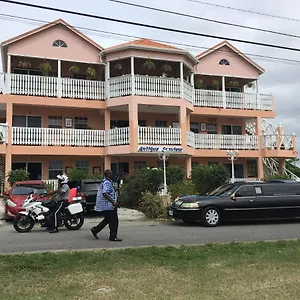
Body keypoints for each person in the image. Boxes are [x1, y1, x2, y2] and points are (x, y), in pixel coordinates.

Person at [90, 169, 122, 242]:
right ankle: (113, 236)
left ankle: (95, 230)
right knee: (114, 221)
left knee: (107, 220)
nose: (112, 174)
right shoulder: (107, 182)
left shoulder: (107, 182)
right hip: (108, 206)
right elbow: (105, 193)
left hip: (108, 205)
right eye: (110, 173)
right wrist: (113, 202)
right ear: (107, 175)